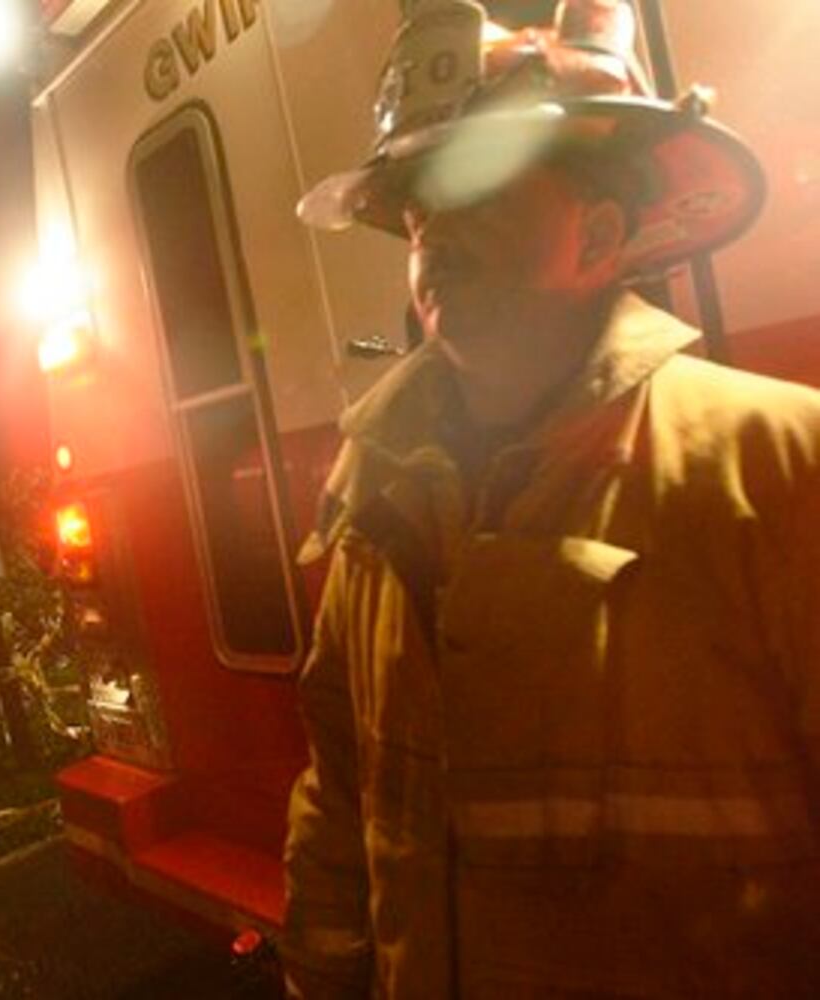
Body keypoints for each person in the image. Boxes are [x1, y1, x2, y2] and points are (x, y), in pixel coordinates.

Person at [282, 0, 820, 995]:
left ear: (601, 231)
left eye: (472, 189)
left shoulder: (781, 467)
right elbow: (339, 784)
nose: (430, 238)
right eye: (413, 212)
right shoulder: (371, 487)